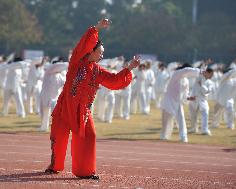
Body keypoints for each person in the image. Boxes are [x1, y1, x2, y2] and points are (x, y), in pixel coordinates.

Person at [44, 19, 140, 179]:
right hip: (64, 107)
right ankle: (55, 166)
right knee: (59, 139)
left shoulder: (98, 71)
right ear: (90, 51)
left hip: (83, 111)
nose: (102, 55)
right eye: (100, 52)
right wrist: (96, 28)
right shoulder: (76, 62)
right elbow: (82, 44)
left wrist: (129, 68)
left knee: (90, 136)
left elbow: (115, 81)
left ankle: (85, 171)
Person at [160, 64, 201, 143]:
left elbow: (185, 94)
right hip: (169, 100)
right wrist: (199, 71)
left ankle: (183, 137)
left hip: (178, 102)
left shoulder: (186, 80)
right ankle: (164, 136)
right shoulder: (177, 74)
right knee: (166, 120)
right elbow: (186, 70)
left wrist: (189, 98)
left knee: (181, 120)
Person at [188, 68, 214, 135]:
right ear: (206, 73)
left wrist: (202, 86)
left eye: (212, 74)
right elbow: (202, 69)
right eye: (210, 74)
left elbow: (207, 92)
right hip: (194, 99)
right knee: (193, 115)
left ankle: (204, 130)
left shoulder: (210, 83)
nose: (212, 76)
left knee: (205, 113)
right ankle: (193, 128)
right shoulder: (199, 77)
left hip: (202, 100)